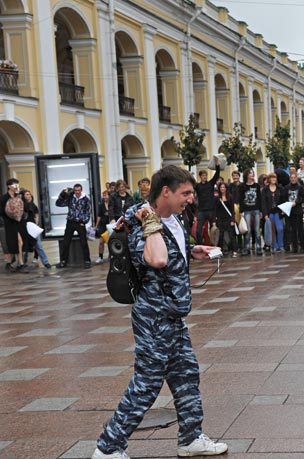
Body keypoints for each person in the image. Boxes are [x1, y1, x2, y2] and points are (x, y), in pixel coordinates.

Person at [92, 166, 227, 459]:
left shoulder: (173, 218)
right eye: (185, 193)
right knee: (147, 384)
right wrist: (150, 221)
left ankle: (190, 439)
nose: (191, 198)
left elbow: (171, 250)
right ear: (165, 191)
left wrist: (193, 251)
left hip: (173, 317)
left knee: (186, 375)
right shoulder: (141, 220)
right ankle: (108, 447)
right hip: (154, 318)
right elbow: (156, 258)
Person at [56, 183, 92, 269]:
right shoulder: (70, 198)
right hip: (71, 221)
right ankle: (63, 261)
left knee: (83, 242)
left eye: (79, 190)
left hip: (80, 222)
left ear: (81, 190)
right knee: (66, 242)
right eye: (75, 191)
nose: (77, 192)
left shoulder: (85, 199)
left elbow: (88, 210)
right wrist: (63, 194)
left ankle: (87, 260)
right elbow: (58, 203)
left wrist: (84, 221)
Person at [0, 178, 29, 272]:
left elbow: (25, 208)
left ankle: (9, 263)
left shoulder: (20, 196)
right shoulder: (4, 198)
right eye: (14, 185)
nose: (17, 186)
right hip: (10, 223)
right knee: (18, 242)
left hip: (20, 222)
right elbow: (1, 212)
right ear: (9, 186)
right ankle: (21, 263)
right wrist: (11, 213)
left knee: (19, 242)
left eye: (17, 184)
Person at [194, 157, 221, 245]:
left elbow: (217, 175)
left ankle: (215, 246)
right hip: (201, 211)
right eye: (203, 176)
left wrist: (217, 164)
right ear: (200, 177)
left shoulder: (210, 183)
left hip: (211, 210)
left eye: (205, 175)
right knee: (198, 231)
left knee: (213, 230)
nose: (204, 177)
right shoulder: (197, 186)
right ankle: (200, 246)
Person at [21, 189, 50, 268]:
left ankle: (46, 262)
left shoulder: (33, 205)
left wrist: (36, 225)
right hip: (24, 227)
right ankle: (22, 263)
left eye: (29, 194)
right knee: (24, 246)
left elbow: (36, 215)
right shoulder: (22, 204)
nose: (29, 196)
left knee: (39, 245)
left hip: (32, 227)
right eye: (26, 194)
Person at [239, 169, 262, 256]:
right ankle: (247, 247)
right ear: (247, 175)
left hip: (256, 209)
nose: (252, 174)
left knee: (257, 230)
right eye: (250, 173)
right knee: (247, 230)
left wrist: (261, 210)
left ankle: (259, 247)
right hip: (247, 209)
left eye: (253, 173)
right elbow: (240, 199)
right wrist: (241, 211)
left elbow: (259, 199)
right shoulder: (243, 186)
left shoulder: (256, 186)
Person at [261, 172, 286, 254]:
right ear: (269, 179)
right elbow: (263, 203)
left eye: (275, 178)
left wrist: (283, 210)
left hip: (278, 211)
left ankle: (281, 245)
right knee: (272, 229)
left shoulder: (280, 188)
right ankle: (275, 246)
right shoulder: (265, 190)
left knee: (280, 228)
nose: (274, 179)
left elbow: (283, 200)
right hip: (269, 212)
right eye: (272, 178)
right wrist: (265, 214)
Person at [213, 182, 237, 258]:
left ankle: (234, 251)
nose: (222, 189)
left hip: (228, 218)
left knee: (231, 235)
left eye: (224, 187)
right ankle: (221, 251)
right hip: (220, 219)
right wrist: (214, 220)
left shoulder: (230, 197)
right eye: (221, 187)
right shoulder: (217, 198)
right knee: (221, 235)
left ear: (226, 188)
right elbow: (215, 210)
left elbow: (232, 210)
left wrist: (233, 220)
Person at [285, 172, 304, 253]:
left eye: (295, 177)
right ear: (290, 179)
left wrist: (297, 203)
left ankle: (303, 245)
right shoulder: (287, 187)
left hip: (298, 210)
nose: (293, 179)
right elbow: (285, 198)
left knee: (300, 228)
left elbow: (303, 198)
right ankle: (294, 246)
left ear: (296, 178)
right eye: (292, 178)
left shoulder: (300, 187)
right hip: (290, 211)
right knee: (293, 229)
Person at [95, 190, 110, 264]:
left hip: (110, 225)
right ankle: (100, 256)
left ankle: (111, 256)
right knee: (101, 242)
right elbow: (99, 216)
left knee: (110, 241)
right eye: (103, 195)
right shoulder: (101, 205)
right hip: (102, 225)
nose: (105, 197)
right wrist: (96, 226)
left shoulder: (112, 204)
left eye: (106, 195)